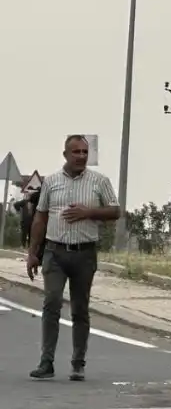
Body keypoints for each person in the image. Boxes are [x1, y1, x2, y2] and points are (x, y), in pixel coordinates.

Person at [25, 135, 121, 381]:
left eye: (84, 152)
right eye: (76, 152)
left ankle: (78, 363)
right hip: (54, 252)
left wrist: (88, 212)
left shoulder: (99, 182)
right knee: (52, 302)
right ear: (66, 154)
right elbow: (40, 217)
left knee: (80, 309)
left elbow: (115, 211)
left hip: (84, 253)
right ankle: (46, 362)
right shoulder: (52, 182)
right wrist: (32, 253)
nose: (80, 156)